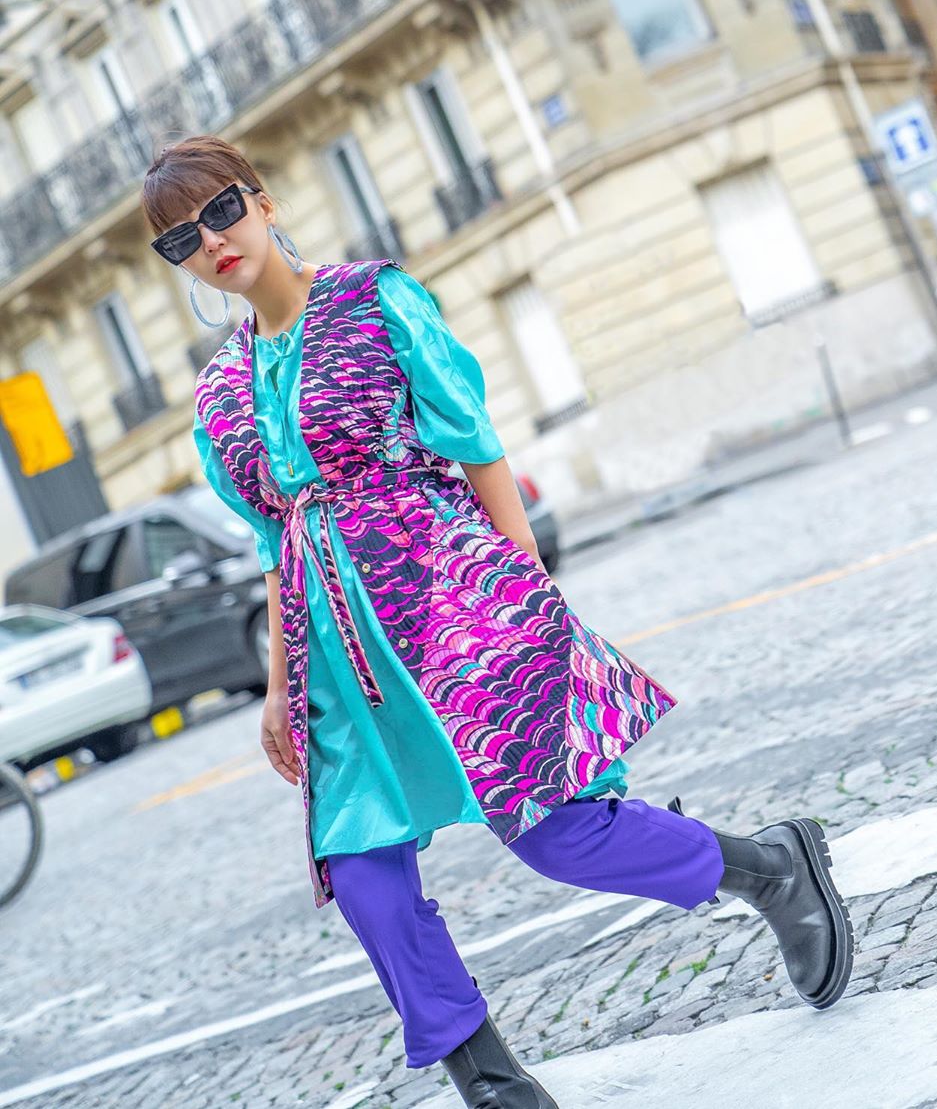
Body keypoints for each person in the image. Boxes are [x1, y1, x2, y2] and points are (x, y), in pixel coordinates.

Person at [142, 135, 853, 1108]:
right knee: (362, 874)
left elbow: (475, 444)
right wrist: (276, 691)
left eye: (222, 209)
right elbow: (275, 540)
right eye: (181, 237)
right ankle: (490, 1082)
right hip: (330, 656)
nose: (211, 240)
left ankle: (770, 870)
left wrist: (527, 588)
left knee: (558, 834)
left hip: (450, 602)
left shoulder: (373, 300)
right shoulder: (221, 391)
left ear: (262, 202)